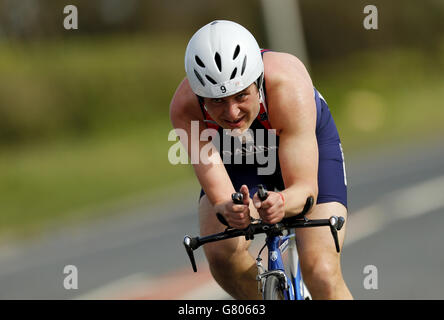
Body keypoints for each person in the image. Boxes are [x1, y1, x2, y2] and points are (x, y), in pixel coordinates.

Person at [169, 20, 352, 300]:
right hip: (237, 152)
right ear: (199, 96)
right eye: (217, 101)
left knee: (322, 272)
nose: (231, 113)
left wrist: (281, 202)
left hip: (300, 139)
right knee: (220, 254)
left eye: (241, 95)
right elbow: (221, 199)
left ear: (257, 82)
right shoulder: (185, 108)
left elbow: (305, 190)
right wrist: (232, 210)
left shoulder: (287, 83)